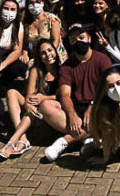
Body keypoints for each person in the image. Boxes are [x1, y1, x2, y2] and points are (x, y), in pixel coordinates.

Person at [43, 26, 112, 161]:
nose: (78, 41)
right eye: (73, 39)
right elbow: (65, 94)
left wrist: (92, 107)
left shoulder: (102, 59)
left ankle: (66, 141)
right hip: (76, 106)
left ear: (89, 39)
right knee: (46, 106)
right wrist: (72, 114)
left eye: (81, 38)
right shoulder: (66, 66)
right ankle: (88, 136)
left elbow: (107, 88)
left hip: (98, 105)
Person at [0, 40, 60, 158]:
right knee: (11, 92)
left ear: (55, 51)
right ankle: (22, 138)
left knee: (39, 105)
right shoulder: (36, 70)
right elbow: (29, 96)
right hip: (35, 108)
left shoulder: (62, 69)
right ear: (40, 57)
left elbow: (64, 96)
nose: (48, 55)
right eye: (43, 53)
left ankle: (13, 140)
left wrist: (44, 98)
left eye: (50, 50)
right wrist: (30, 104)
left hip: (53, 109)